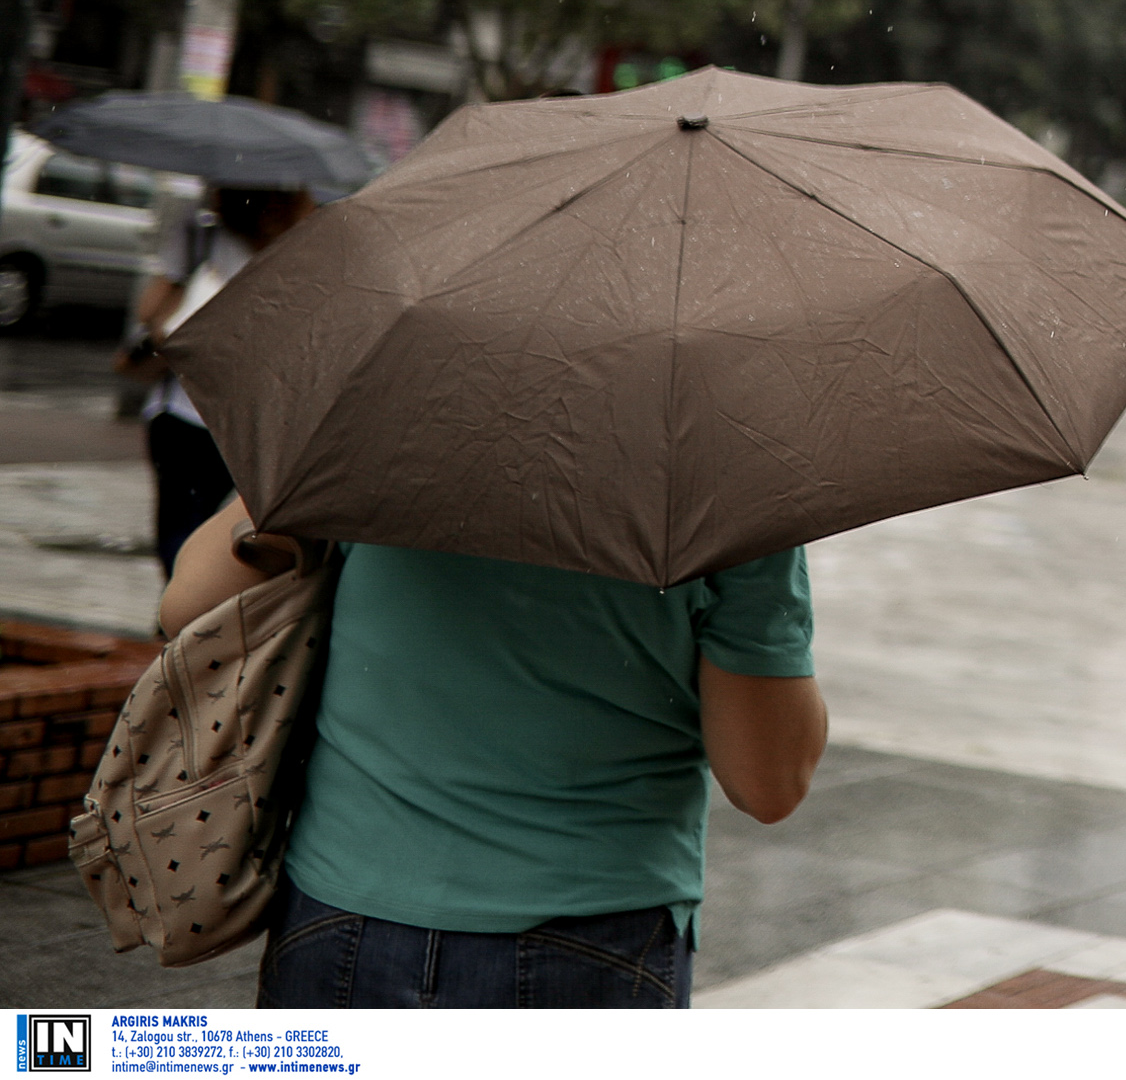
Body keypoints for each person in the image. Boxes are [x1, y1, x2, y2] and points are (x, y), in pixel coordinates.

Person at [156, 496, 829, 1009]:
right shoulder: (729, 495)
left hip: (340, 919)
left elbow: (189, 603)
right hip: (589, 935)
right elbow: (768, 782)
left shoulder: (384, 438)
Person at [121, 186, 310, 574]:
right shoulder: (302, 247)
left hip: (182, 410)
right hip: (249, 421)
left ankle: (177, 611)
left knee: (179, 521)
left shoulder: (199, 233)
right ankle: (186, 611)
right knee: (208, 521)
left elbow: (151, 309)